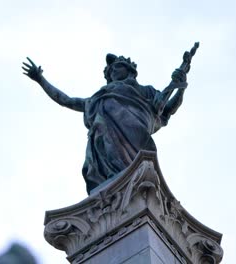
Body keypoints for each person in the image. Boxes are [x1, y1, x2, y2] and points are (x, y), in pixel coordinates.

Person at [23, 53, 188, 194]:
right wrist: (40, 79)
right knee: (101, 130)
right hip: (106, 140)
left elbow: (167, 110)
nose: (111, 72)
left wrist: (180, 88)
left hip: (136, 138)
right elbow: (67, 100)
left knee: (135, 173)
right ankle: (114, 182)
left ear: (130, 71)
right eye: (109, 72)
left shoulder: (146, 91)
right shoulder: (100, 97)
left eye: (116, 67)